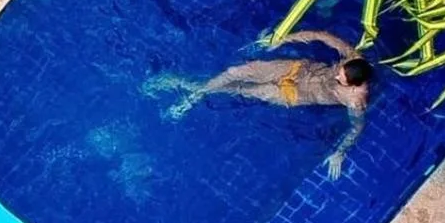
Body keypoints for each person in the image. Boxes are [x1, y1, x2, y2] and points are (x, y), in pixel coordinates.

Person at [150, 29, 371, 178]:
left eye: (341, 78)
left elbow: (357, 126)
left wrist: (340, 152)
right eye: (340, 70)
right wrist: (283, 38)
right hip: (297, 70)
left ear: (353, 86)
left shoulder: (355, 99)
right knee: (235, 72)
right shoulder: (353, 58)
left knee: (241, 89)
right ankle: (194, 94)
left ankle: (187, 88)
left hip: (293, 94)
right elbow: (321, 36)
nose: (337, 75)